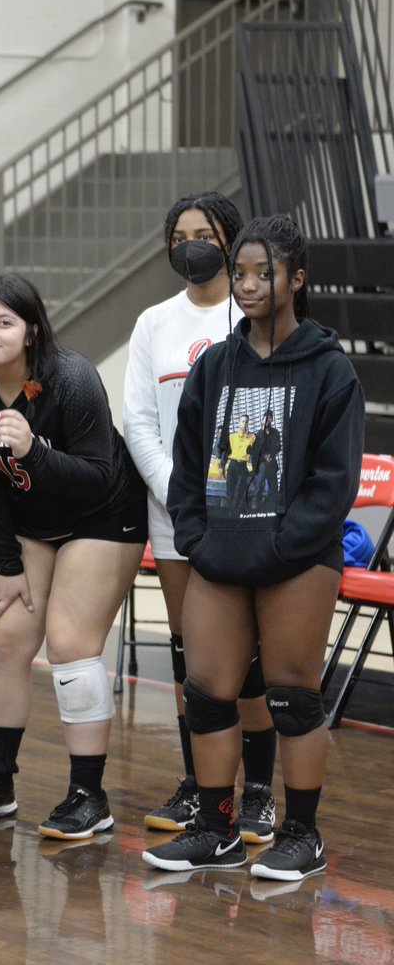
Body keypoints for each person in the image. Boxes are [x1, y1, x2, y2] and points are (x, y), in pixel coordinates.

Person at [143, 214, 364, 880]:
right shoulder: (215, 365)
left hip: (296, 559)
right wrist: (196, 538)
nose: (247, 284)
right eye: (238, 272)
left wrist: (277, 548)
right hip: (220, 556)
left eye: (262, 272)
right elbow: (187, 466)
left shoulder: (330, 368)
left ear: (296, 278)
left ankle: (301, 833)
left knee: (292, 696)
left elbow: (335, 483)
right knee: (207, 692)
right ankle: (217, 828)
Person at [0, 273, 147, 838]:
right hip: (31, 522)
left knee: (69, 643)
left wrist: (32, 451)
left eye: (4, 322)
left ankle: (89, 794)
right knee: (6, 638)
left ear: (31, 330)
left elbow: (96, 476)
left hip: (102, 514)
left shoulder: (73, 379)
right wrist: (6, 563)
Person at [123, 193, 278, 843]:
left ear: (232, 241)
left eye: (205, 233)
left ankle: (262, 791)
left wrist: (225, 501)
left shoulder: (255, 318)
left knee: (249, 663)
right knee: (196, 663)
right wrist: (178, 495)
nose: (192, 244)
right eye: (179, 234)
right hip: (177, 517)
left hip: (245, 513)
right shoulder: (154, 321)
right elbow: (138, 420)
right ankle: (200, 787)